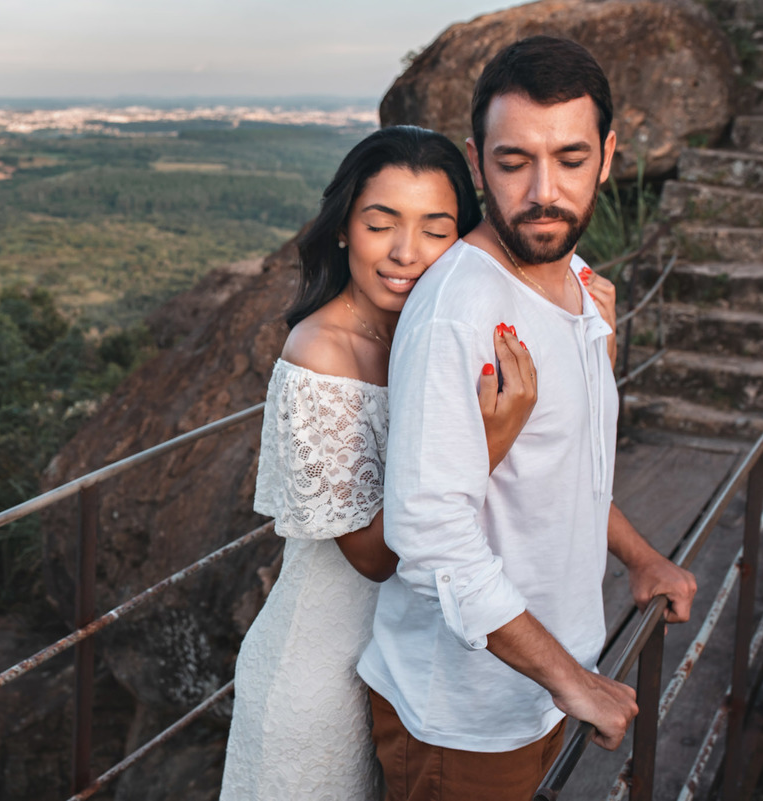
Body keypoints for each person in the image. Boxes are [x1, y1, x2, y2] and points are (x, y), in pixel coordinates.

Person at [357, 37, 698, 801]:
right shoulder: (459, 310)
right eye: (515, 163)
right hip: (464, 713)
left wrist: (641, 556)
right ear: (477, 165)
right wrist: (573, 679)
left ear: (607, 156)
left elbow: (565, 466)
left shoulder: (577, 278)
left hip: (542, 682)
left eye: (570, 159)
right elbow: (429, 533)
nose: (544, 191)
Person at [220, 125, 581, 800]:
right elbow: (372, 556)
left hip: (409, 665)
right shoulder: (321, 352)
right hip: (320, 673)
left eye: (435, 229)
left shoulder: (436, 326)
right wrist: (490, 441)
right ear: (342, 229)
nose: (405, 253)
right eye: (380, 223)